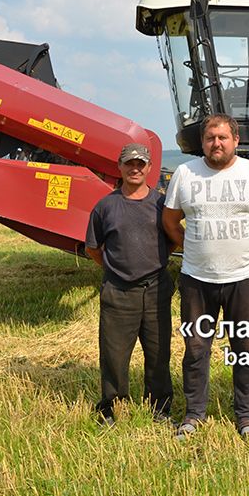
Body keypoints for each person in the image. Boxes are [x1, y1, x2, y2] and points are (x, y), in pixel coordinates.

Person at [162, 114, 249, 439]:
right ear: (202, 142)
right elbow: (170, 222)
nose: (217, 143)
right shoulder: (185, 174)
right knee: (196, 348)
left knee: (245, 348)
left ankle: (245, 417)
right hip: (197, 280)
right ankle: (194, 414)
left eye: (223, 137)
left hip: (244, 278)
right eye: (210, 137)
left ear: (236, 140)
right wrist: (194, 245)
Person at [85, 142, 174, 427]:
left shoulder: (162, 204)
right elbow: (93, 248)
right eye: (129, 163)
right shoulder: (105, 206)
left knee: (159, 353)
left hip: (156, 289)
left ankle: (159, 408)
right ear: (119, 167)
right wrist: (116, 270)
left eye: (141, 164)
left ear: (149, 168)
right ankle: (110, 407)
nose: (135, 168)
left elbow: (173, 240)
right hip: (118, 291)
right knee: (114, 354)